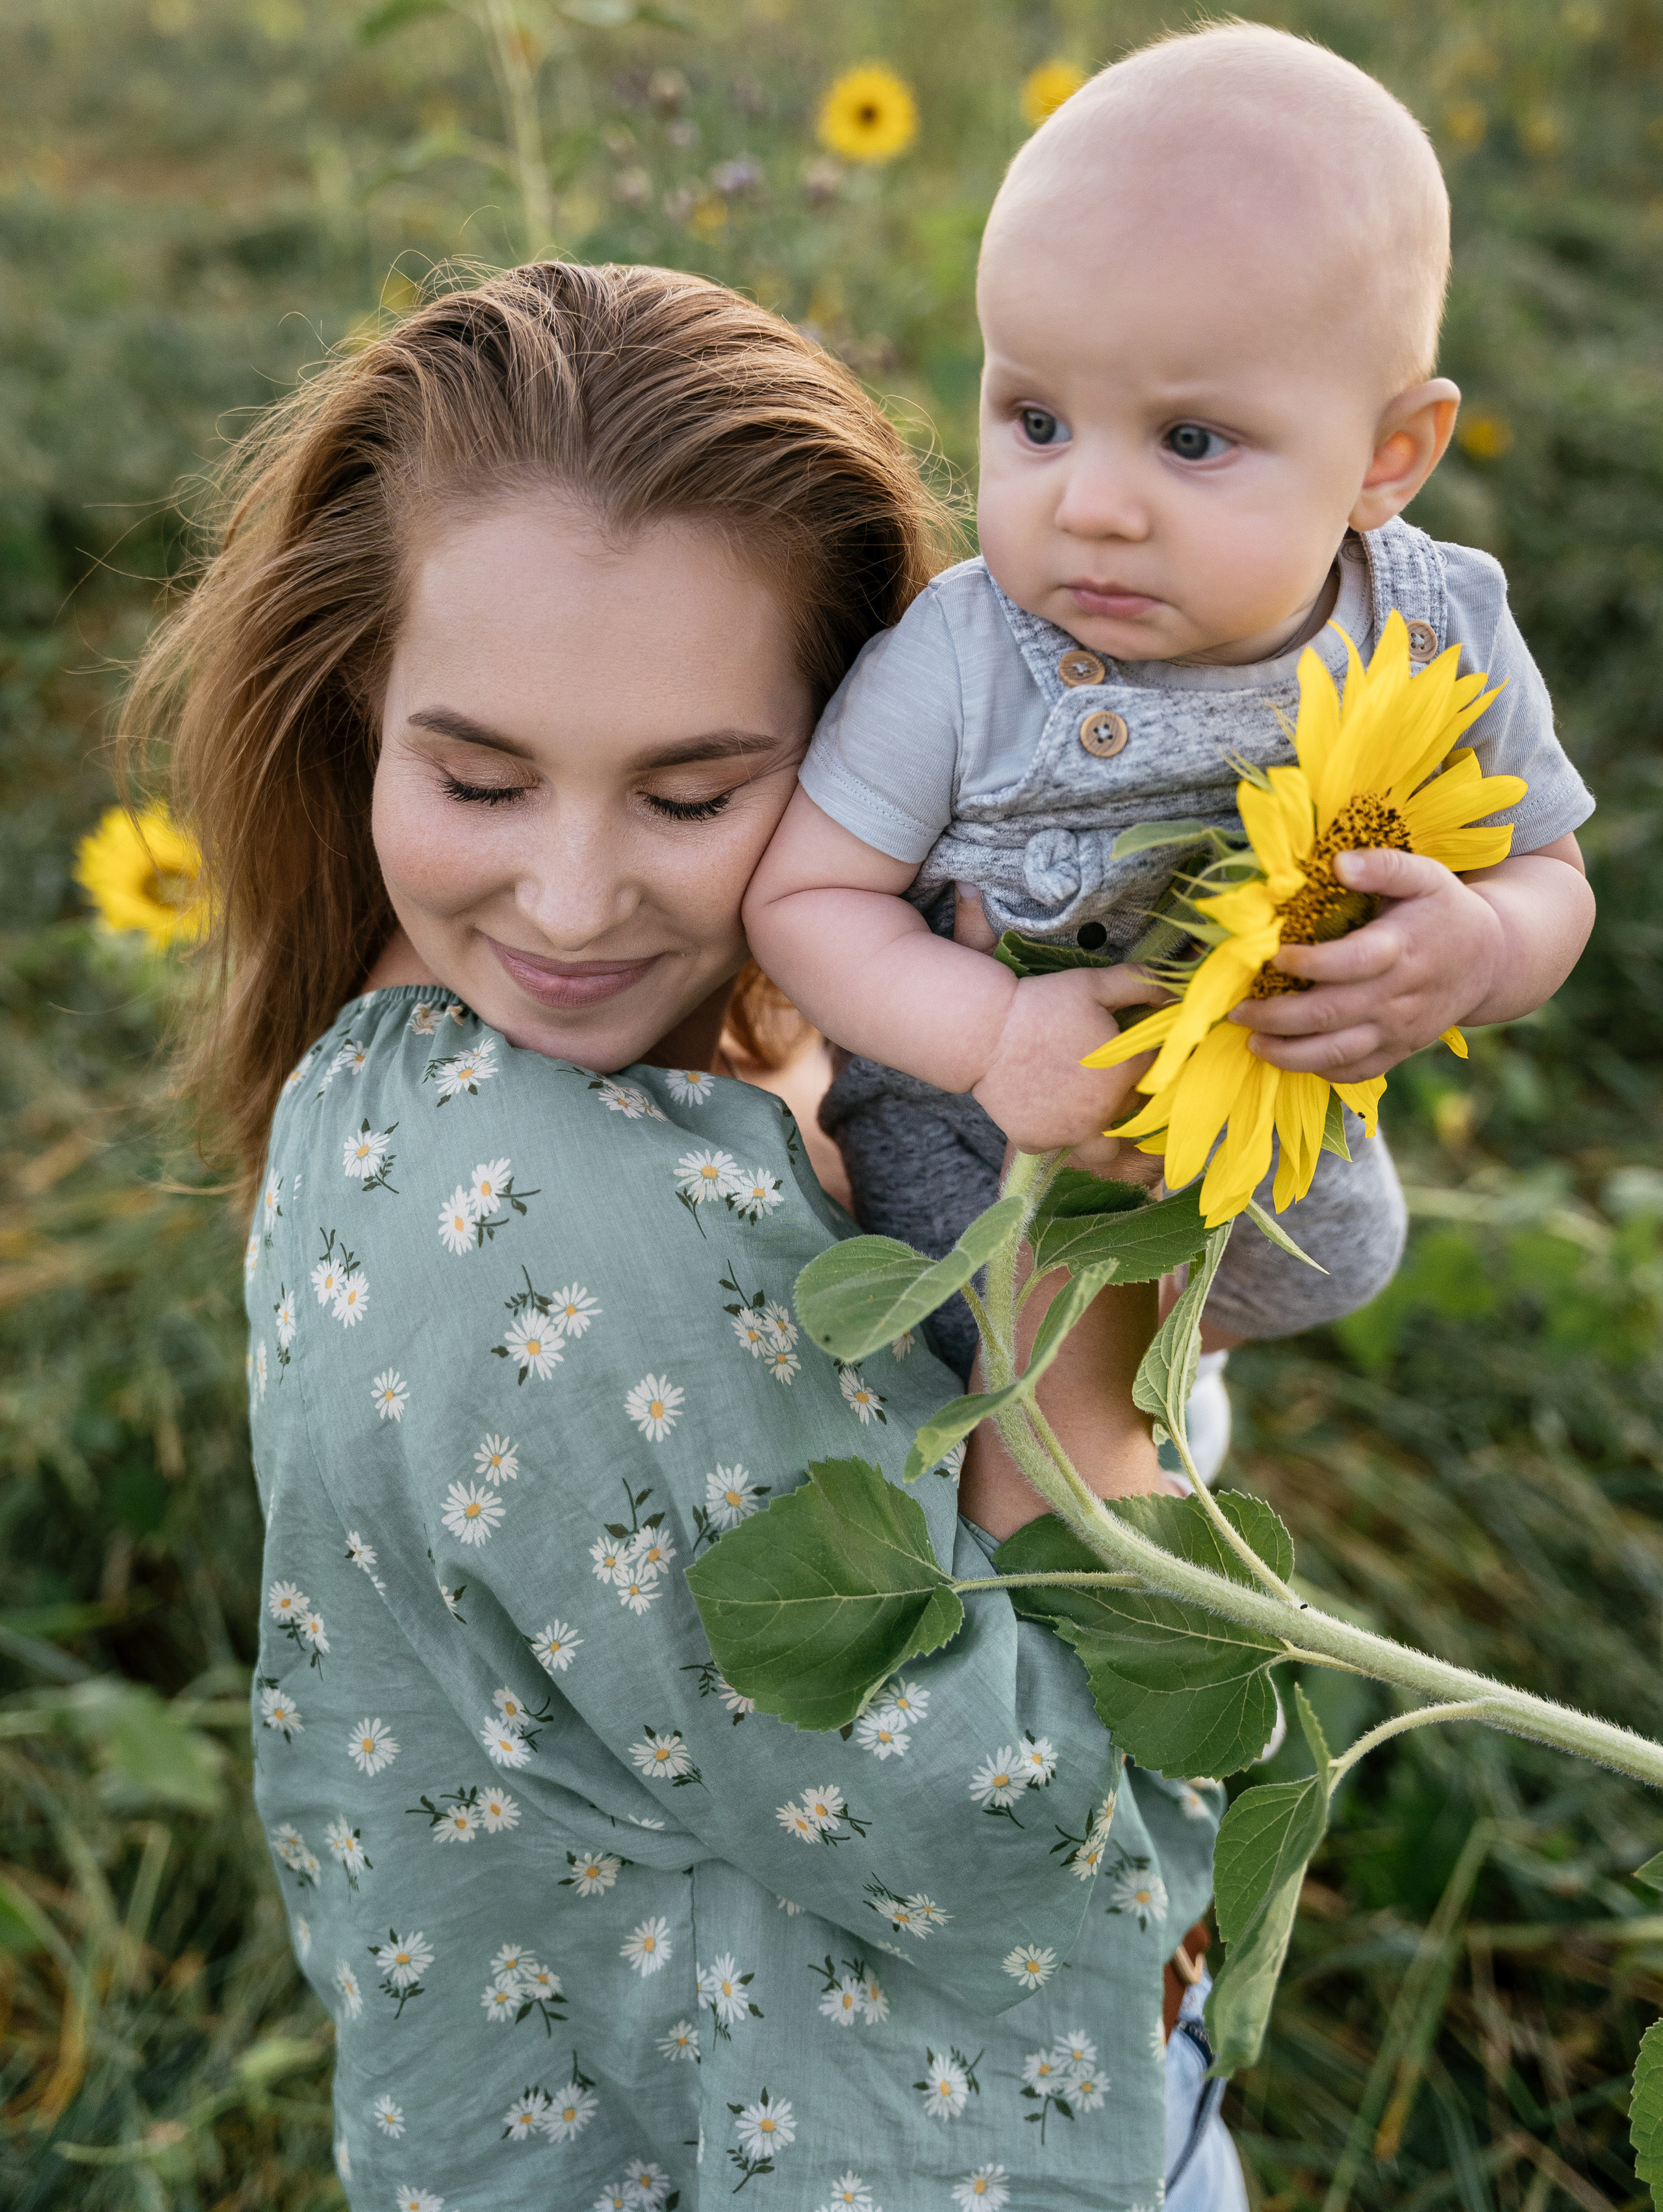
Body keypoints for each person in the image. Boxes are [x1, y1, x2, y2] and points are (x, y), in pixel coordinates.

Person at [125, 262, 1234, 2209]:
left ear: (868, 737)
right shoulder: (548, 1217)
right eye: (476, 777)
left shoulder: (601, 1059)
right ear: (355, 698)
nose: (569, 902)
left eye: (694, 791)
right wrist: (1076, 1282)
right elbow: (1041, 1827)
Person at [743, 23, 1596, 1420]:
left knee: (1339, 1261)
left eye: (1189, 441)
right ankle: (1051, 1470)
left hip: (1261, 1129)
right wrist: (982, 1038)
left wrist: (1478, 946)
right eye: (1034, 419)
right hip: (984, 1143)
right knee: (946, 1383)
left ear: (1388, 457)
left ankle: (1169, 1378)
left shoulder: (1438, 626)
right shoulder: (965, 657)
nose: (1088, 504)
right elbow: (805, 897)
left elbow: (1546, 873)